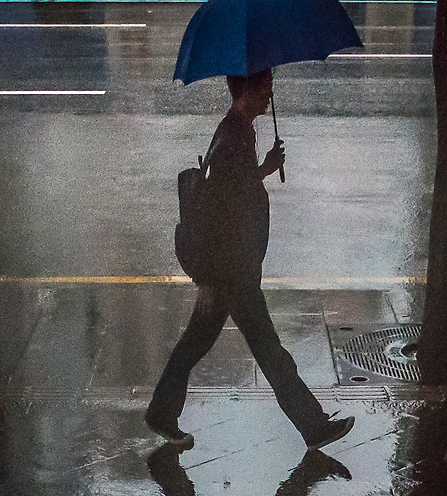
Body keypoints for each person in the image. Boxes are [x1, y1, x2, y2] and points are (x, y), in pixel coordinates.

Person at [146, 69, 354, 451]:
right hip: (231, 269)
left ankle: (161, 412)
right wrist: (265, 169)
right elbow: (224, 203)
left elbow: (233, 191)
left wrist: (263, 169)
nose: (269, 96)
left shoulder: (238, 131)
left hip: (229, 266)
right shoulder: (233, 138)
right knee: (269, 350)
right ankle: (313, 426)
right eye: (265, 88)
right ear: (244, 91)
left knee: (196, 343)